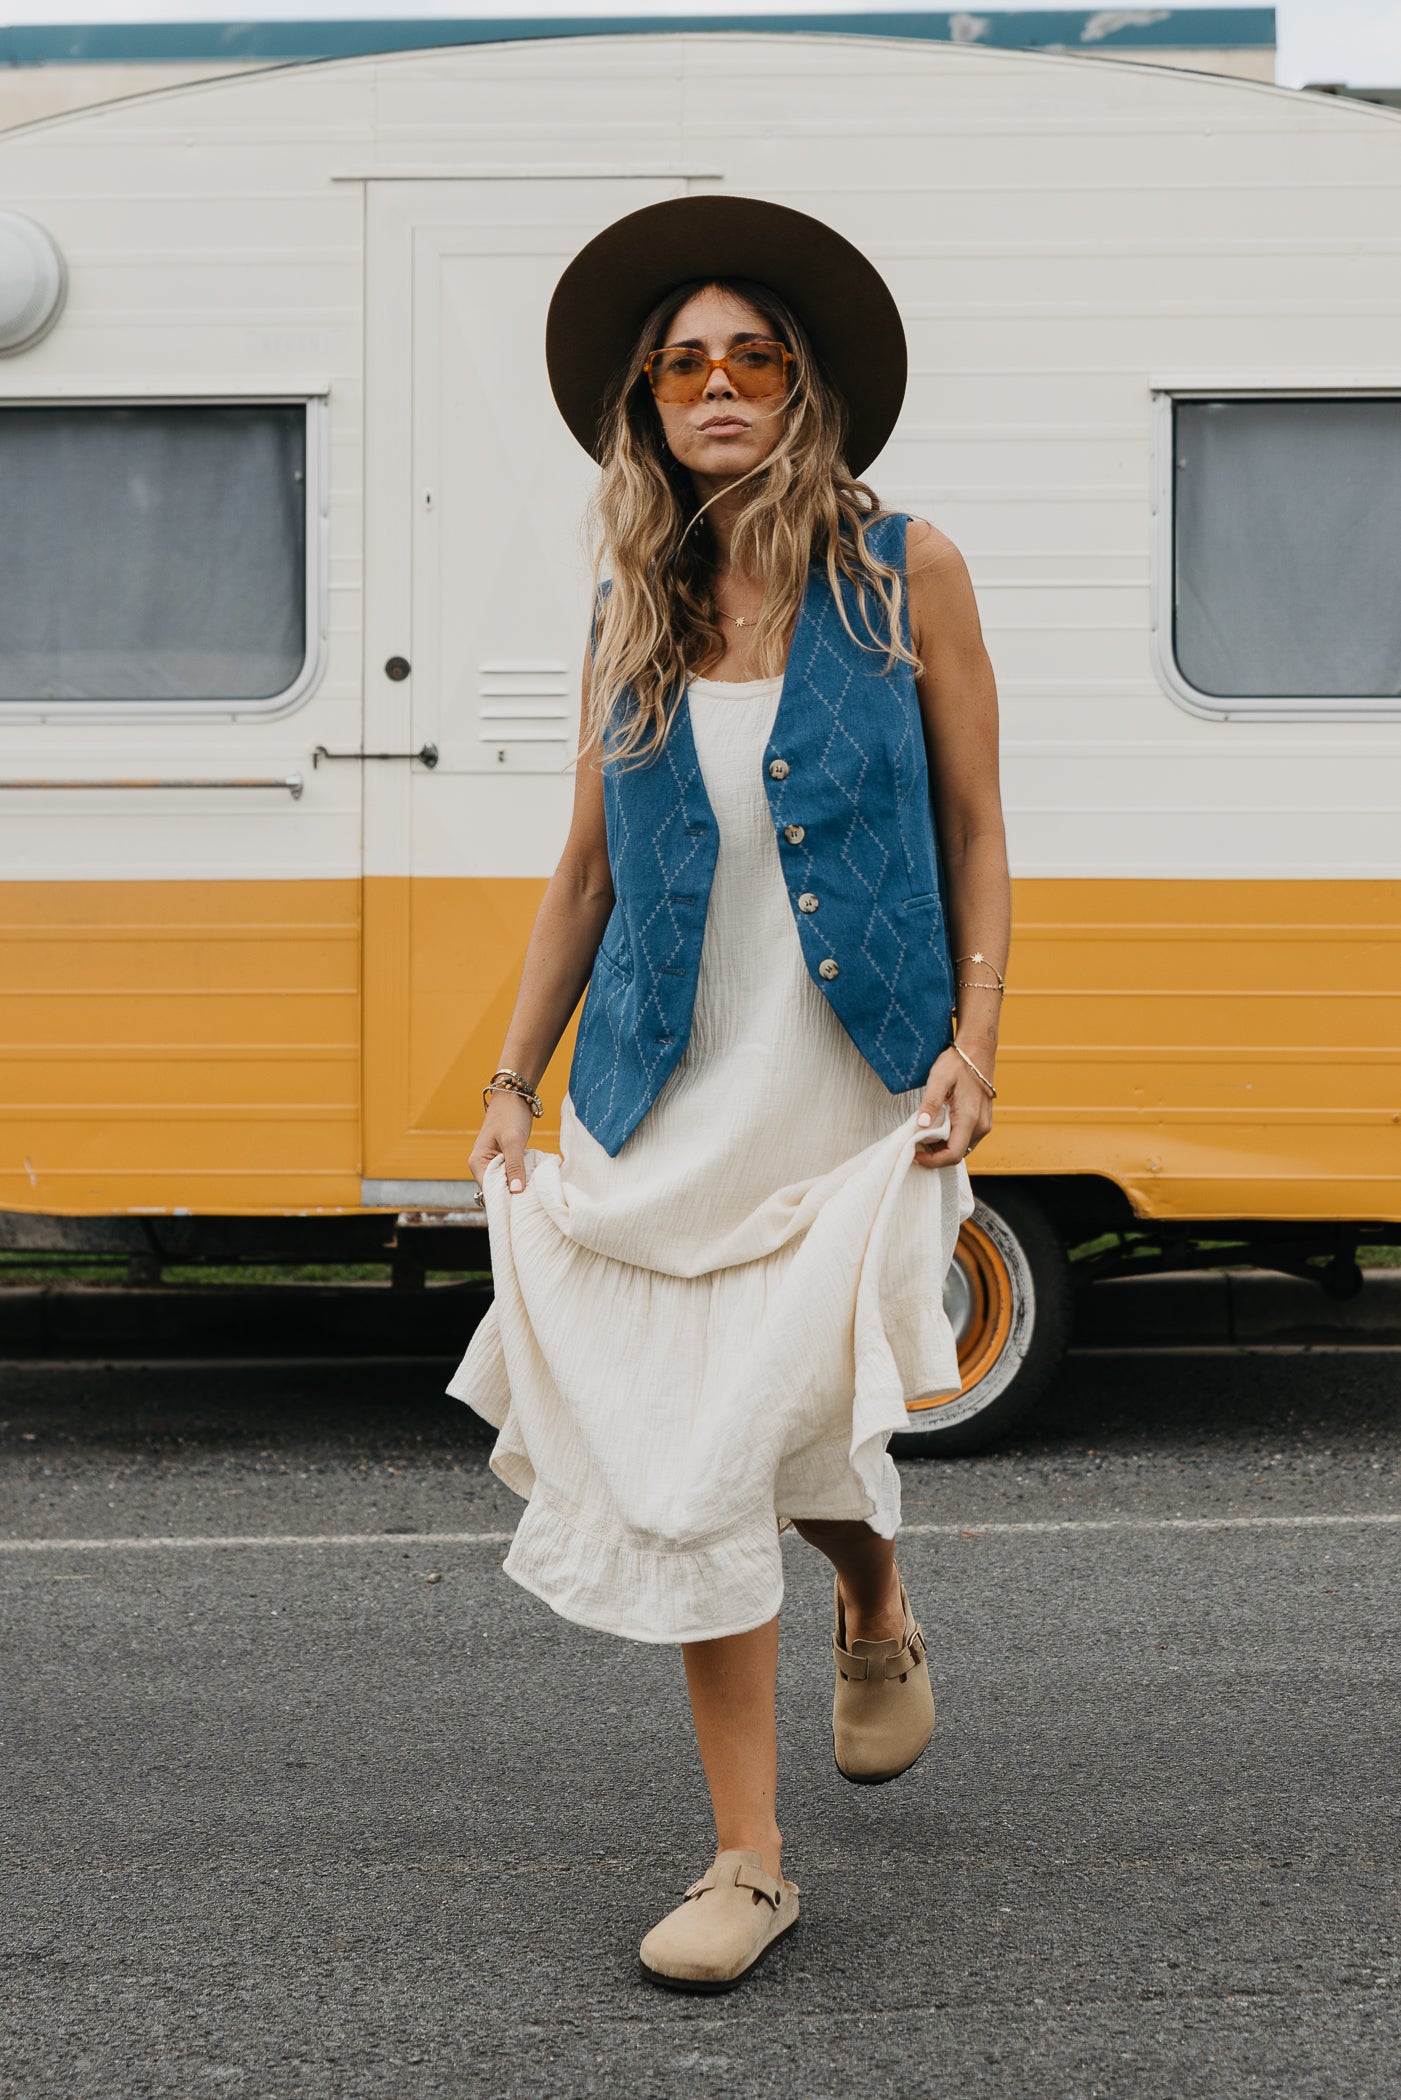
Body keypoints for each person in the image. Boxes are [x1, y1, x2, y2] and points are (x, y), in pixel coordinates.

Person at [448, 194, 1010, 1991]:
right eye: (680, 362)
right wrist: (512, 1083)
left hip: (847, 1089)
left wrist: (979, 1037)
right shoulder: (638, 600)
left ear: (801, 388)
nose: (715, 385)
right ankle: (750, 1862)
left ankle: (868, 1595)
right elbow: (581, 876)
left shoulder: (904, 569)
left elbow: (981, 828)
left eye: (749, 357)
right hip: (664, 1092)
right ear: (642, 401)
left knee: (792, 1431)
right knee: (694, 1465)